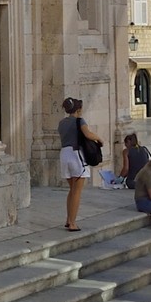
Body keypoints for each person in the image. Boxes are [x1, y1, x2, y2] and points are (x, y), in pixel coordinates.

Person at [59, 97, 92, 231]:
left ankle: (68, 219)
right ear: (78, 110)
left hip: (64, 154)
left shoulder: (61, 123)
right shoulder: (79, 121)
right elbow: (87, 134)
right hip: (76, 155)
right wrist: (99, 139)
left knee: (72, 190)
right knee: (77, 191)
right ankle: (72, 223)